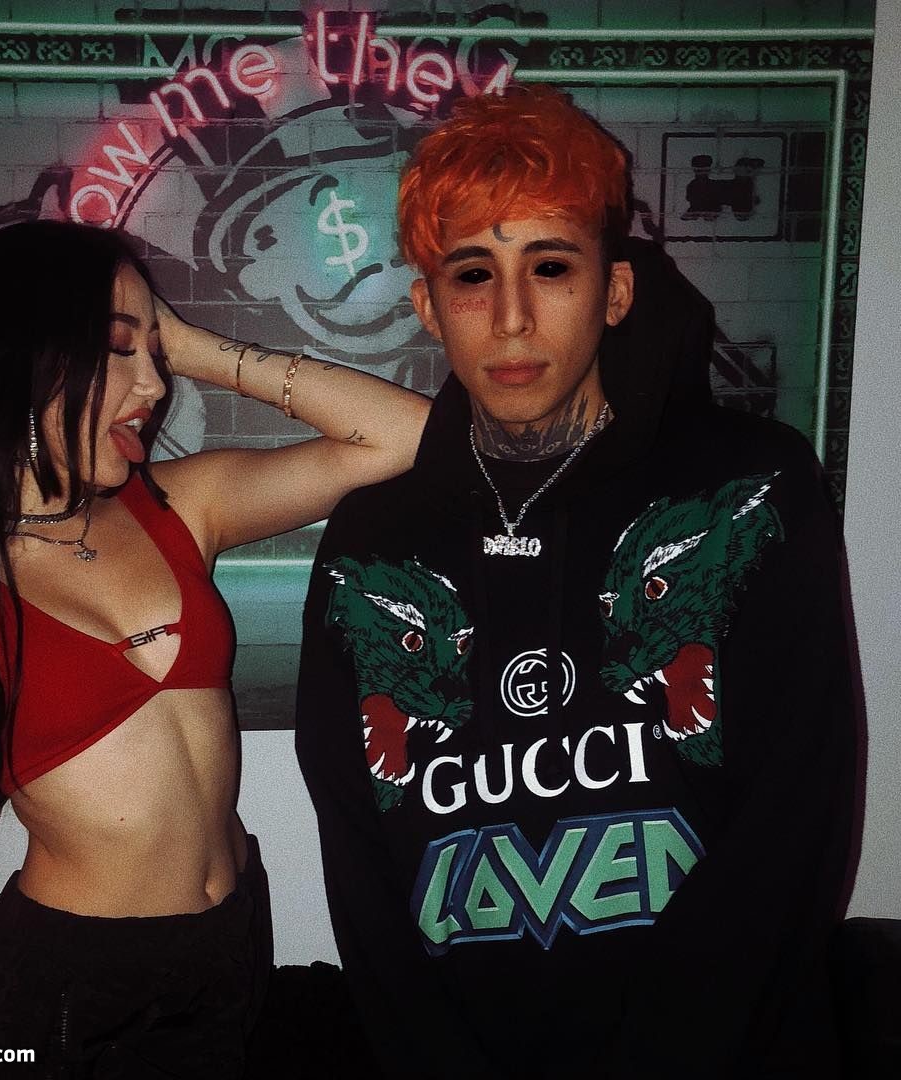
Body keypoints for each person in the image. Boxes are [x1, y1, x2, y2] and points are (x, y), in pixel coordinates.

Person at [295, 85, 856, 1079]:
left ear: (616, 291)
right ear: (428, 306)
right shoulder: (370, 541)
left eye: (550, 267)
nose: (511, 318)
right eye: (473, 274)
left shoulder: (753, 486)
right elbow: (360, 858)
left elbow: (794, 820)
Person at [0, 220, 429, 1078]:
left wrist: (195, 345)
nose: (154, 384)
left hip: (232, 950)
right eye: (117, 348)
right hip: (73, 994)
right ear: (18, 356)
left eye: (156, 353)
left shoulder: (179, 506)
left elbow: (408, 437)